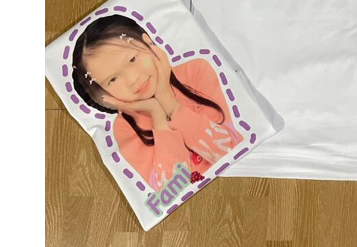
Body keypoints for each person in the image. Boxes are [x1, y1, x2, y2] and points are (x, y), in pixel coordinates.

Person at [72, 16, 242, 190]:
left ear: (148, 42)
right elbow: (173, 188)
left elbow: (231, 151)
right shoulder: (124, 126)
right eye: (113, 79)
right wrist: (157, 116)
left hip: (241, 180)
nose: (132, 79)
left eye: (132, 59)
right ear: (103, 94)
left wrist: (169, 102)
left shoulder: (194, 71)